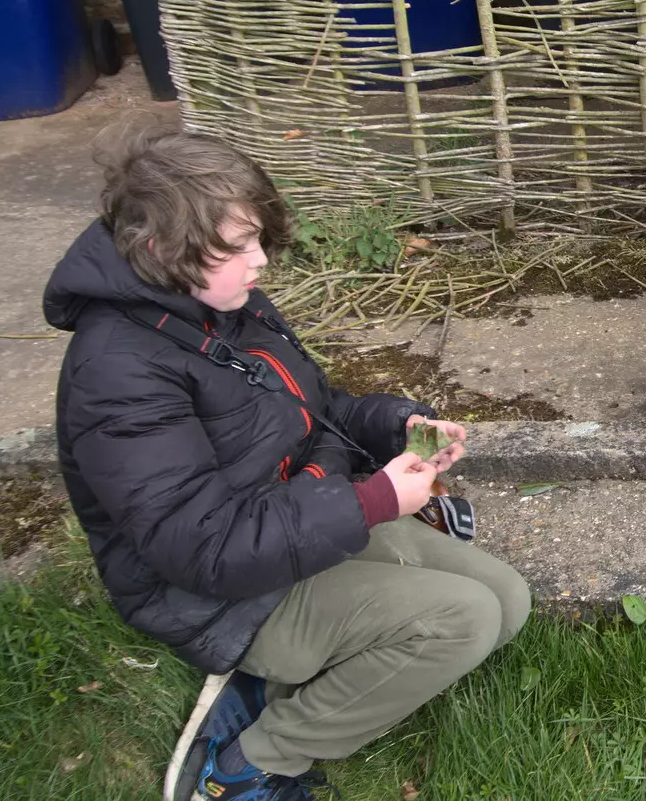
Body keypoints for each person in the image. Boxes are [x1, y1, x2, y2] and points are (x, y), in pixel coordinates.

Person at [43, 130, 530, 801]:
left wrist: (399, 428)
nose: (262, 261)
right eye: (238, 245)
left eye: (261, 239)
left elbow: (314, 406)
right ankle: (253, 762)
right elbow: (203, 549)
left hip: (290, 519)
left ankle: (274, 683)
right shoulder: (117, 372)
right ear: (159, 248)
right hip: (218, 593)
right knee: (463, 619)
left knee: (507, 603)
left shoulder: (215, 304)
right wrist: (372, 504)